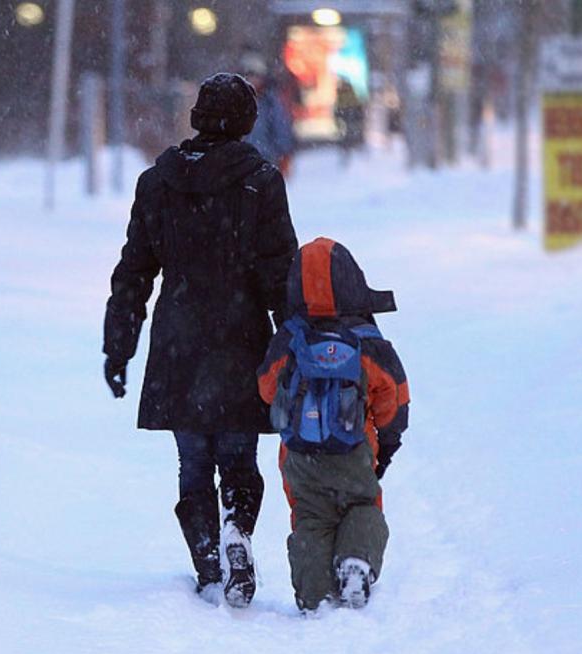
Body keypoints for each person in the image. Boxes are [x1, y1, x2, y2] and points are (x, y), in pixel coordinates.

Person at [103, 73, 298, 608]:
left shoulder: (157, 182)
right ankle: (238, 530)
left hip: (178, 339)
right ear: (246, 124)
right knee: (238, 458)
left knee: (193, 462)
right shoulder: (261, 181)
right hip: (242, 337)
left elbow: (134, 271)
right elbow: (280, 273)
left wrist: (117, 345)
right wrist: (293, 344)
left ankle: (209, 561)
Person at [257, 237, 410, 612]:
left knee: (310, 517)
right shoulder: (366, 341)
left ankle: (314, 592)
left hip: (300, 454)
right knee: (363, 506)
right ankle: (357, 560)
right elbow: (396, 397)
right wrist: (387, 444)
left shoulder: (290, 338)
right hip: (354, 449)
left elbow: (265, 388)